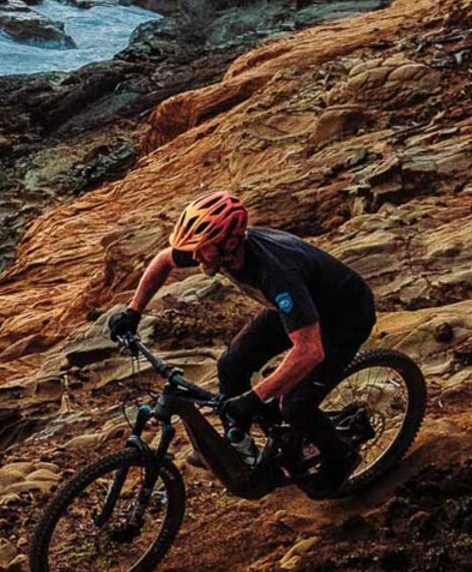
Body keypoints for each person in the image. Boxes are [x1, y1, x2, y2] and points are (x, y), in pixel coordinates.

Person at [104, 191, 376, 498]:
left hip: (344, 316)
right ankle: (242, 445)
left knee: (295, 404)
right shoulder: (215, 250)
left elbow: (310, 351)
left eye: (201, 251)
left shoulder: (276, 272)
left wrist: (254, 398)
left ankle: (340, 455)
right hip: (299, 306)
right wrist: (133, 311)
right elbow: (164, 259)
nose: (195, 258)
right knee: (231, 365)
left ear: (230, 243)